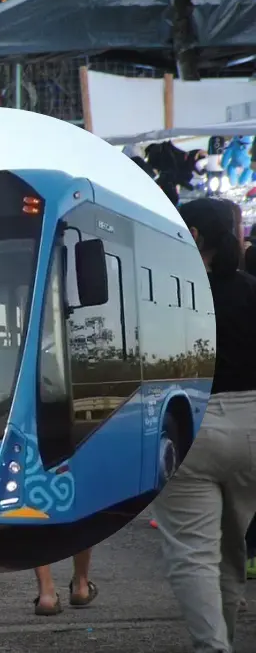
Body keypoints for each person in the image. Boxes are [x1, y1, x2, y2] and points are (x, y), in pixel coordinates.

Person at [153, 197, 256, 652]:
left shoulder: (165, 297)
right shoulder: (251, 290)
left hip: (190, 426)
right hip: (252, 425)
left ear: (191, 236)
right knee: (232, 550)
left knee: (194, 554)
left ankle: (214, 647)